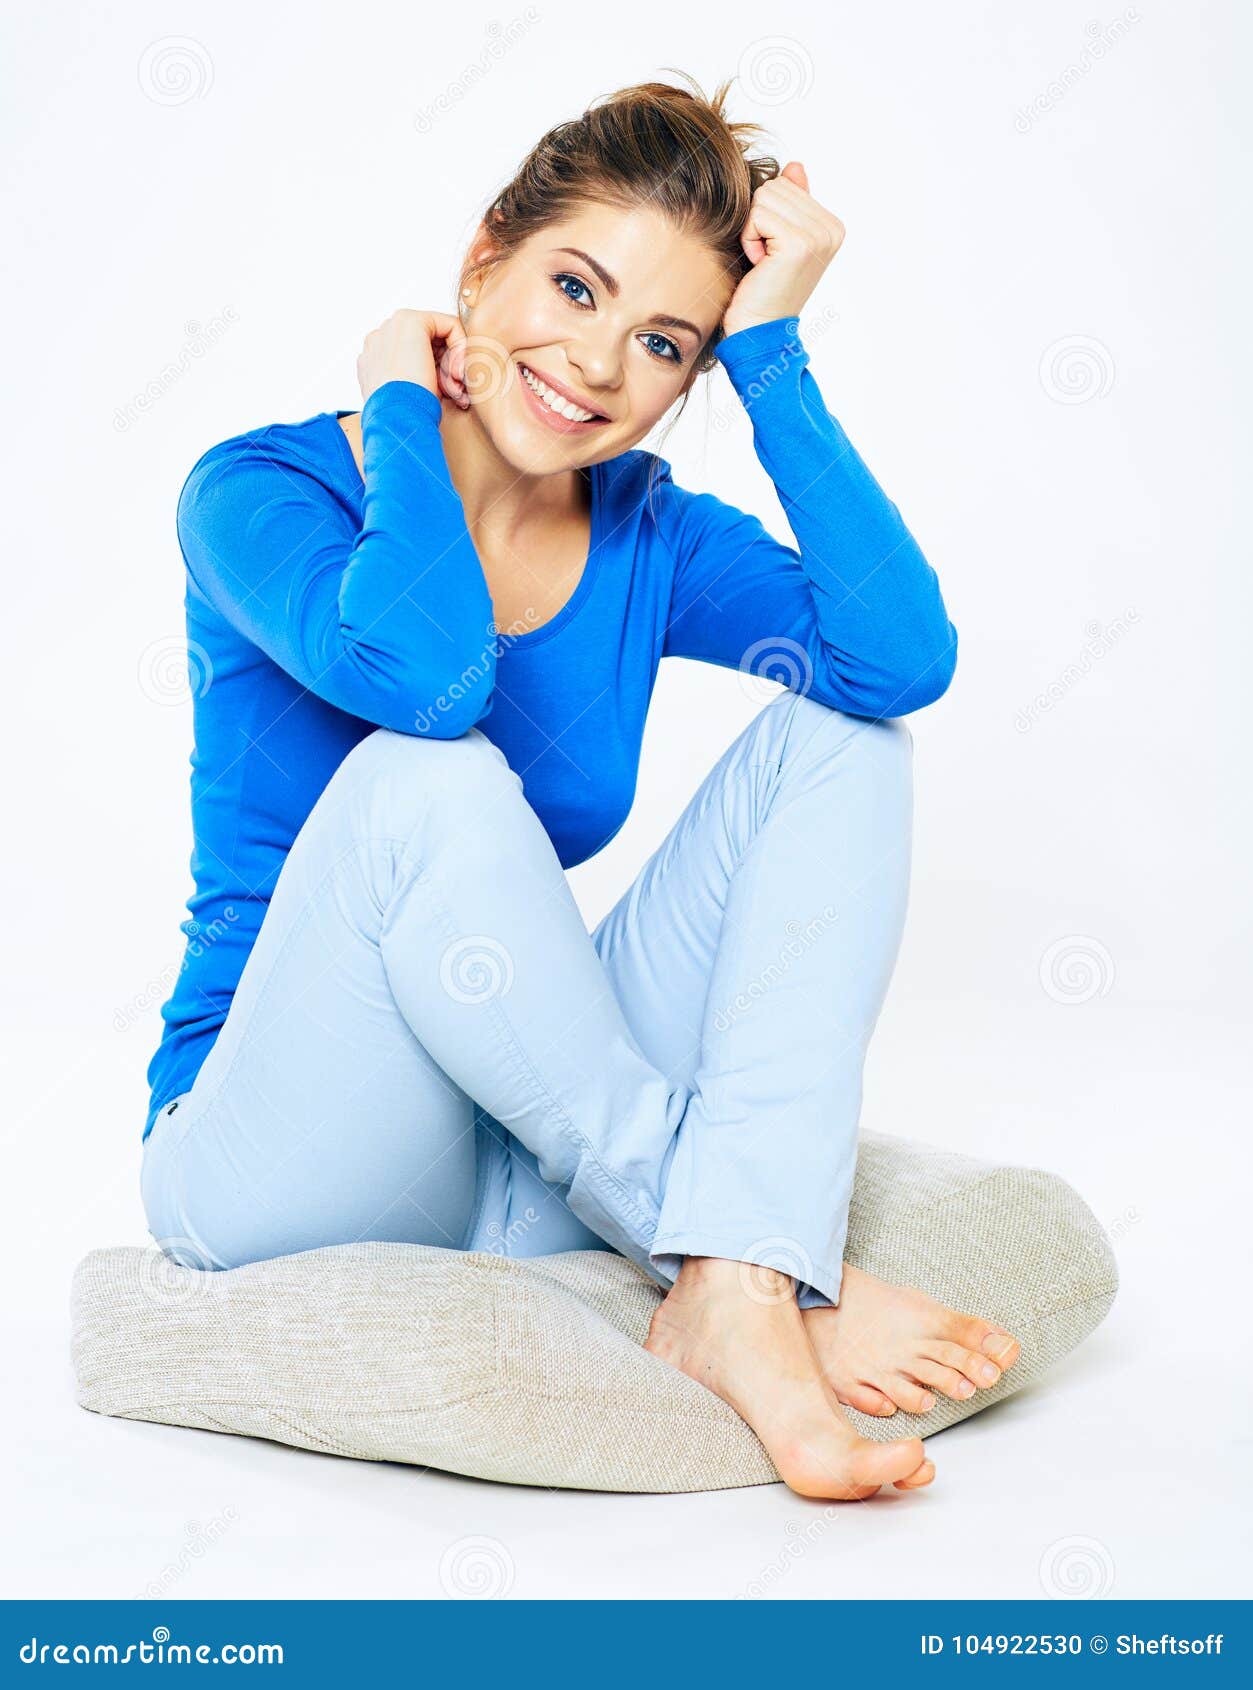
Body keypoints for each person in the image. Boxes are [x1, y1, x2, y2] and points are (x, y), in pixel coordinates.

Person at [140, 73, 1020, 1502]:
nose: (600, 364)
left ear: (692, 374)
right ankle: (749, 1258)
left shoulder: (645, 532)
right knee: (429, 773)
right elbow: (427, 677)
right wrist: (393, 397)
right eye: (572, 284)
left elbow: (897, 657)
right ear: (484, 255)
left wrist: (777, 350)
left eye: (664, 340)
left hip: (510, 1151)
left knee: (848, 739)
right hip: (271, 1158)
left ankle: (732, 1280)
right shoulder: (258, 492)